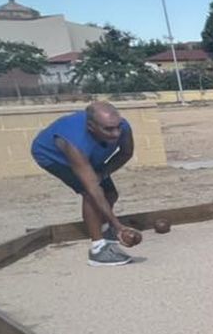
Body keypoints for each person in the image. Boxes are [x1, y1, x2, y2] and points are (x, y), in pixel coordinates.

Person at [30, 100, 143, 267]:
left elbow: (126, 153)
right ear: (91, 127)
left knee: (111, 194)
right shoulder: (73, 142)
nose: (116, 133)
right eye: (109, 129)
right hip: (54, 157)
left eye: (118, 127)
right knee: (90, 194)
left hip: (91, 154)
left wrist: (102, 173)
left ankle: (105, 231)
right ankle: (98, 250)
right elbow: (92, 188)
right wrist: (118, 225)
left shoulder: (122, 126)